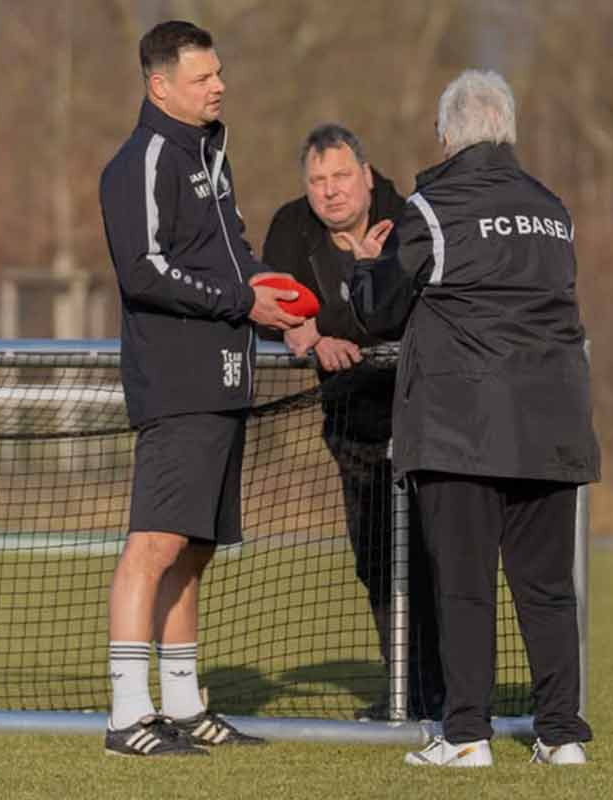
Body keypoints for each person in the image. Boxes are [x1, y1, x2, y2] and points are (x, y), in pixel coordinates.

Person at [341, 70, 601, 767]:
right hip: (554, 425)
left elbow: (379, 310)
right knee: (548, 589)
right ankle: (561, 734)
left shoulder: (433, 209)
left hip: (463, 431)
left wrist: (363, 267)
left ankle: (464, 735)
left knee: (463, 585)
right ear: (508, 129)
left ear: (449, 134)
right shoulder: (554, 209)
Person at [98, 20, 304, 757]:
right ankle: (128, 716)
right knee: (152, 544)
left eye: (218, 73)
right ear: (160, 86)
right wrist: (241, 303)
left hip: (226, 376)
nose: (218, 86)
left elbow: (234, 252)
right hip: (176, 380)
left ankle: (185, 707)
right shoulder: (141, 160)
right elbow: (144, 271)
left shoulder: (212, 149)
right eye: (202, 77)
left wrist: (282, 310)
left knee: (194, 549)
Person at [261, 124, 444, 721]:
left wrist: (330, 322)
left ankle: (447, 692)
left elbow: (403, 310)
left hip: (427, 416)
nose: (330, 192)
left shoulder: (411, 217)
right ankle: (406, 693)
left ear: (367, 175)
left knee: (435, 558)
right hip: (352, 423)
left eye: (341, 177)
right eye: (318, 181)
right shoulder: (292, 228)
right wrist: (303, 332)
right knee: (376, 562)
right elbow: (267, 305)